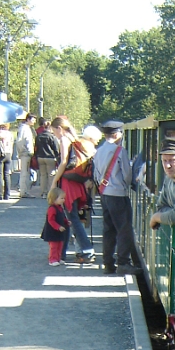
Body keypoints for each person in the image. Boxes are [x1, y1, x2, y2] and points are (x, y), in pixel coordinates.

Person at [92, 119, 135, 275]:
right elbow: (127, 174)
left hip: (104, 194)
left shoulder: (99, 151)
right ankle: (123, 262)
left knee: (108, 230)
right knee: (124, 229)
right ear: (117, 134)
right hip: (118, 194)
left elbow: (96, 174)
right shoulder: (119, 151)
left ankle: (108, 264)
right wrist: (125, 185)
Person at [50, 116, 95, 263]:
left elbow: (63, 162)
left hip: (68, 182)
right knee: (73, 217)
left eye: (54, 131)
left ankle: (87, 250)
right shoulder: (74, 138)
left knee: (72, 218)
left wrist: (55, 180)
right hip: (77, 181)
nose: (54, 134)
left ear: (59, 128)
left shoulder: (64, 139)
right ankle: (69, 252)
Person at [40, 185, 70, 266]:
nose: (63, 200)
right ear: (54, 198)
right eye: (61, 198)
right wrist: (58, 227)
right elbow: (51, 220)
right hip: (52, 231)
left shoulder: (60, 208)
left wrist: (66, 222)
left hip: (59, 231)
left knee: (60, 245)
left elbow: (62, 217)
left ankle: (58, 258)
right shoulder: (52, 209)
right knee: (54, 246)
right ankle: (52, 259)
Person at [35, 119, 60, 198]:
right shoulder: (52, 137)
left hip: (40, 157)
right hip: (50, 157)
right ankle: (50, 192)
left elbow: (36, 147)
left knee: (43, 175)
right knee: (51, 175)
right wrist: (57, 157)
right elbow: (56, 148)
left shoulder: (38, 136)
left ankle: (43, 192)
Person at [15, 113, 37, 198]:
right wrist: (26, 151)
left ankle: (24, 190)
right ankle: (23, 191)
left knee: (26, 172)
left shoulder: (25, 128)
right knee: (24, 172)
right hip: (26, 153)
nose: (34, 121)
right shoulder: (25, 129)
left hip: (25, 152)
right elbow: (21, 141)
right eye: (33, 119)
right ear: (28, 119)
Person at [0, 124, 14, 200]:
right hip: (9, 153)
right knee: (7, 174)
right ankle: (7, 194)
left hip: (1, 154)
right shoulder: (10, 134)